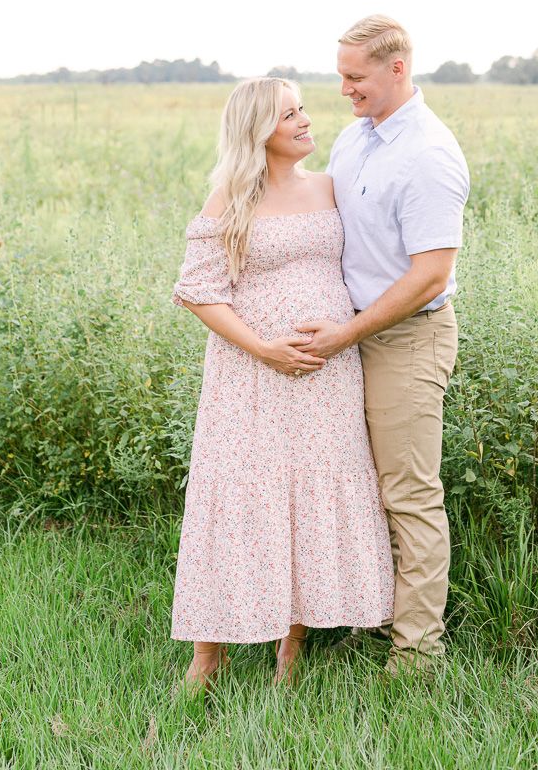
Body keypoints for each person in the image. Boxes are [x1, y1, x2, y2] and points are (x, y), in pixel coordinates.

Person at [170, 76, 394, 691]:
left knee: (304, 499)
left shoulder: (329, 187)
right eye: (288, 114)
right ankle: (207, 655)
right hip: (249, 376)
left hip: (326, 376)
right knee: (238, 496)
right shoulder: (230, 197)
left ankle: (290, 649)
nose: (304, 120)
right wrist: (265, 349)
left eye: (302, 109)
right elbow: (199, 291)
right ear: (258, 130)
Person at [297, 15, 470, 676]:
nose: (343, 89)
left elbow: (429, 274)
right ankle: (368, 617)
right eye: (340, 75)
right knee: (357, 487)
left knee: (408, 493)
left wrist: (345, 333)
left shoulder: (428, 154)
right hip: (350, 334)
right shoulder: (355, 138)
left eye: (355, 76)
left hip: (405, 339)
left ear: (397, 68)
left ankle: (416, 654)